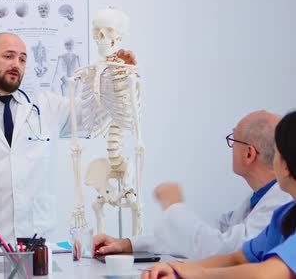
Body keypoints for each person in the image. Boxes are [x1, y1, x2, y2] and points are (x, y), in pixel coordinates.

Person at [0, 32, 135, 248]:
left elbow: (92, 114)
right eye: (8, 56)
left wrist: (117, 77)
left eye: (22, 59)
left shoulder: (47, 106)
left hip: (36, 237)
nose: (16, 64)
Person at [93, 110, 291, 260]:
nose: (230, 148)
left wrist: (174, 206)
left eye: (233, 140)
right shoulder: (258, 198)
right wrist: (128, 244)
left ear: (249, 154)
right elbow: (208, 236)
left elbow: (224, 250)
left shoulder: (280, 204)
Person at [142, 110, 296, 279]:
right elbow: (237, 257)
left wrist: (199, 274)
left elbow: (268, 273)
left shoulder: (279, 206)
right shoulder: (283, 215)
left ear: (285, 164)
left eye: (276, 151)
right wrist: (175, 269)